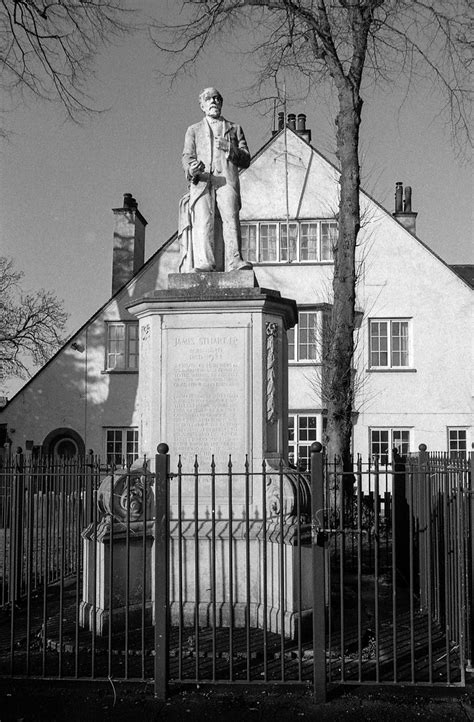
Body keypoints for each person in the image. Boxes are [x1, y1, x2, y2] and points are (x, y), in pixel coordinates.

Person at [181, 87, 252, 272]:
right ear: (202, 105)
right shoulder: (193, 130)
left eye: (217, 98)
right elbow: (187, 156)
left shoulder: (234, 129)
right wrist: (191, 168)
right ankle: (206, 262)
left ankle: (235, 260)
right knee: (204, 220)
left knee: (230, 217)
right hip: (203, 181)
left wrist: (229, 147)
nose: (214, 101)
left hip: (226, 179)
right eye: (209, 98)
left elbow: (246, 158)